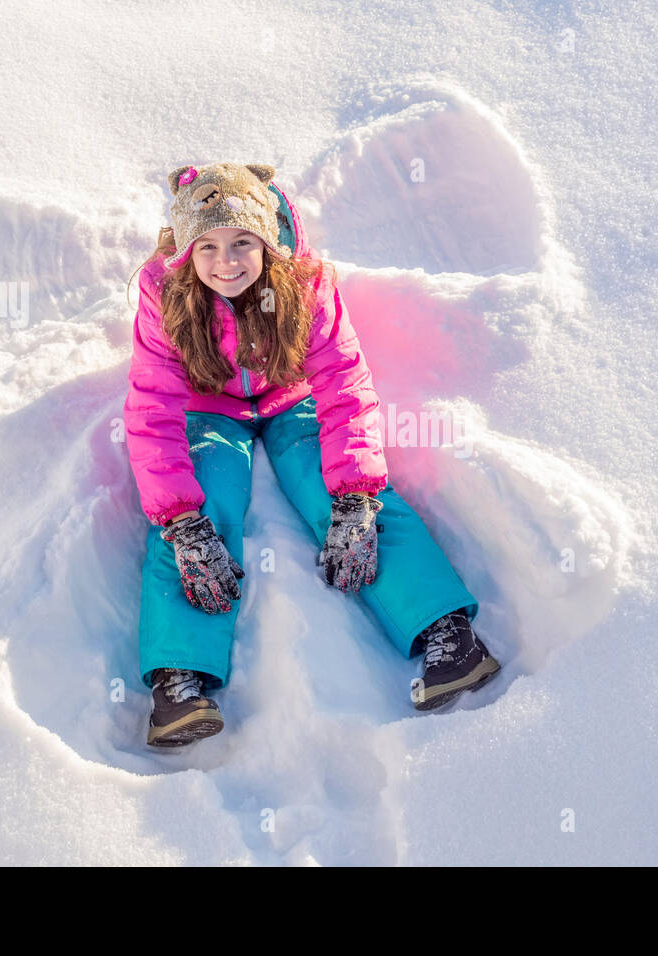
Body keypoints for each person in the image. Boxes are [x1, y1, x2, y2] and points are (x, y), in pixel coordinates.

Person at [124, 161, 500, 747]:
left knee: (340, 492)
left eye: (243, 241)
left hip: (289, 393)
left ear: (267, 241)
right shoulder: (165, 294)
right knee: (206, 504)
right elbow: (152, 407)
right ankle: (179, 680)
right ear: (185, 251)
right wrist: (180, 520)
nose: (227, 261)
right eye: (210, 246)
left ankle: (448, 634)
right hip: (208, 406)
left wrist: (356, 498)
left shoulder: (303, 284)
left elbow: (346, 384)